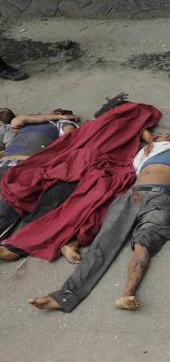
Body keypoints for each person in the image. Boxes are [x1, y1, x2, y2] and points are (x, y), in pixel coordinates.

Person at [29, 120, 170, 312]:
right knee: (103, 244)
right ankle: (65, 296)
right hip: (134, 194)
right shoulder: (157, 145)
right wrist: (152, 142)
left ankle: (127, 295)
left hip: (161, 197)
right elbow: (138, 163)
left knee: (144, 244)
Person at [0, 102, 161, 264]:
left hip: (92, 161)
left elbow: (141, 131)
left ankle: (18, 246)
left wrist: (150, 139)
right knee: (51, 197)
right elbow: (75, 139)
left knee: (69, 203)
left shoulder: (126, 124)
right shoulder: (92, 123)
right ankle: (22, 242)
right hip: (76, 162)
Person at [0, 108, 79, 243]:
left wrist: (62, 119)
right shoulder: (21, 125)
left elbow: (70, 140)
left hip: (23, 167)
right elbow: (20, 119)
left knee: (6, 205)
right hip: (4, 163)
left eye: (58, 111)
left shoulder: (61, 124)